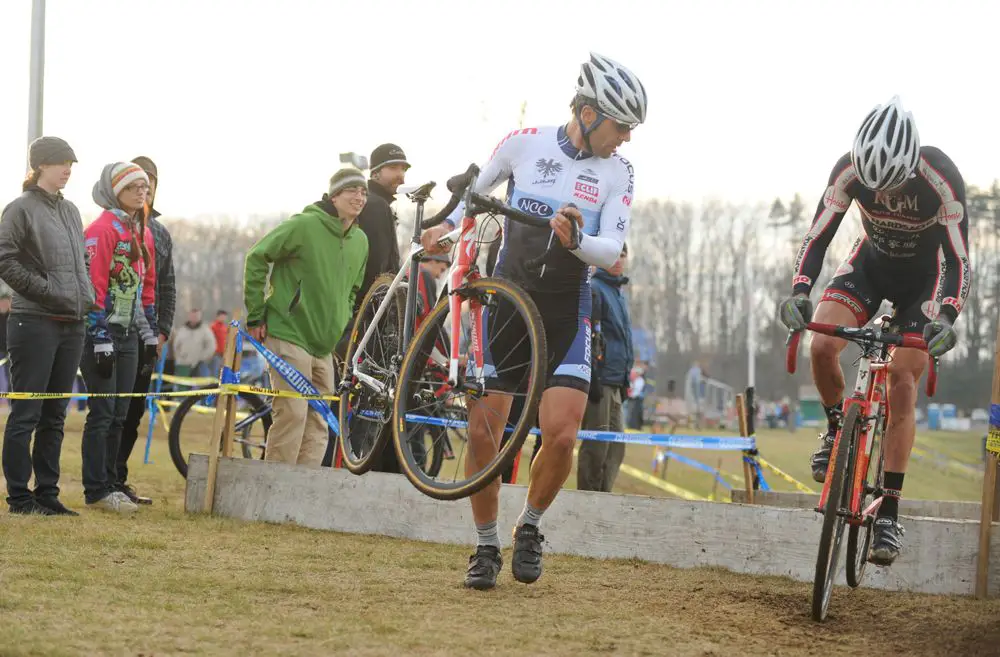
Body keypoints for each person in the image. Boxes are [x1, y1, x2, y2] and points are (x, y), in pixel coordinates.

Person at [421, 52, 647, 589]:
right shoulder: (524, 142)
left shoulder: (619, 172)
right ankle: (483, 546)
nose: (627, 139)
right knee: (483, 431)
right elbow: (474, 194)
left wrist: (579, 241)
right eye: (622, 126)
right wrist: (444, 227)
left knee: (563, 435)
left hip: (569, 306)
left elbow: (611, 248)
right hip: (508, 303)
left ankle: (530, 527)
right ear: (589, 114)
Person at [779, 96, 970, 566]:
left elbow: (958, 259)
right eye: (873, 185)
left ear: (911, 164)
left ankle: (889, 509)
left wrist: (945, 317)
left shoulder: (940, 176)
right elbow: (818, 234)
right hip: (870, 267)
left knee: (904, 378)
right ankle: (834, 431)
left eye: (893, 184)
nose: (882, 195)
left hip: (924, 282)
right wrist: (800, 290)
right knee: (822, 343)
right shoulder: (847, 170)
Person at [244, 167, 369, 466]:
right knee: (293, 412)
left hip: (324, 345)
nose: (359, 197)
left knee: (319, 419)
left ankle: (302, 496)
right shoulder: (305, 225)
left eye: (363, 192)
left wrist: (342, 316)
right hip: (289, 333)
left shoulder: (361, 241)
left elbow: (353, 289)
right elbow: (257, 257)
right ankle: (273, 490)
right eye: (352, 190)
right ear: (335, 195)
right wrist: (256, 314)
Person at [0, 136, 93, 516]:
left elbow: (81, 263)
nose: (67, 169)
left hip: (73, 322)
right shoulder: (19, 208)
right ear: (40, 166)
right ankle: (20, 497)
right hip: (33, 321)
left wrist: (84, 295)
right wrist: (46, 291)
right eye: (60, 162)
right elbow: (5, 259)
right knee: (27, 413)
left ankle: (48, 494)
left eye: (71, 163)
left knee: (56, 414)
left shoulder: (71, 210)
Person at [81, 161, 159, 514]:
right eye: (133, 188)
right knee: (103, 412)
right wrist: (99, 336)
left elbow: (147, 288)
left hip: (130, 335)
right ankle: (96, 489)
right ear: (115, 191)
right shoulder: (102, 229)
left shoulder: (142, 231)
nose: (141, 193)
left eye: (144, 187)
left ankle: (113, 484)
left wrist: (150, 334)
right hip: (104, 332)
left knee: (121, 414)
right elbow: (94, 286)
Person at [116, 155, 176, 505]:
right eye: (140, 179)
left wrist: (163, 329)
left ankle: (119, 477)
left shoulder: (160, 232)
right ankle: (103, 479)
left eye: (151, 178)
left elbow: (168, 284)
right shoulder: (112, 224)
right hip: (116, 329)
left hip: (148, 335)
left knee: (135, 410)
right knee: (113, 409)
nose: (147, 184)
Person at [577, 244, 634, 493]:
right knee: (595, 450)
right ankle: (588, 501)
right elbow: (587, 337)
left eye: (623, 254)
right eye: (615, 254)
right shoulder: (595, 289)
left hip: (617, 382)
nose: (619, 259)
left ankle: (604, 498)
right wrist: (592, 376)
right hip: (599, 383)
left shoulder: (618, 292)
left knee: (616, 447)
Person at [354, 143, 409, 309]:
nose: (400, 175)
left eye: (404, 169)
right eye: (393, 168)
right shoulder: (375, 205)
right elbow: (378, 264)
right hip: (367, 308)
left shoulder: (377, 202)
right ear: (375, 173)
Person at [171, 308, 216, 377]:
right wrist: (179, 357)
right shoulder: (182, 330)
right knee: (182, 386)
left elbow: (211, 346)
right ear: (189, 316)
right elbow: (176, 345)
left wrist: (202, 357)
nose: (194, 318)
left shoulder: (205, 330)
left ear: (200, 317)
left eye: (196, 316)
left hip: (199, 364)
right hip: (183, 364)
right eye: (192, 316)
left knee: (199, 386)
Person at [210, 309, 229, 376]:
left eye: (225, 317)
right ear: (218, 316)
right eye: (222, 316)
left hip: (223, 354)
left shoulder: (225, 327)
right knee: (214, 371)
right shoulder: (213, 327)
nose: (224, 318)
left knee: (221, 373)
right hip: (216, 354)